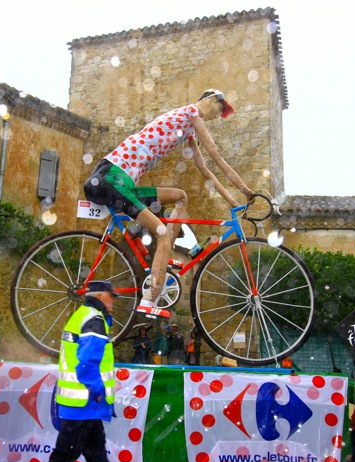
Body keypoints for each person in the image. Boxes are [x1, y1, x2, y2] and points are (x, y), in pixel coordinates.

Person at [83, 89, 254, 320]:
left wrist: (234, 201)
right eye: (220, 109)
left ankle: (164, 257)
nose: (218, 115)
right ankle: (149, 299)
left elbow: (204, 169)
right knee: (162, 232)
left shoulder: (189, 127)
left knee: (181, 196)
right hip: (112, 177)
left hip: (125, 182)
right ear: (211, 100)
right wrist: (246, 190)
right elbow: (215, 155)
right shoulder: (192, 112)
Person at [39, 280, 118, 462]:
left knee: (96, 457)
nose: (113, 302)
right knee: (64, 457)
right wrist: (98, 390)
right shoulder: (95, 320)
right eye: (111, 296)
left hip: (81, 404)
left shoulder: (82, 315)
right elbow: (87, 363)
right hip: (85, 402)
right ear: (100, 296)